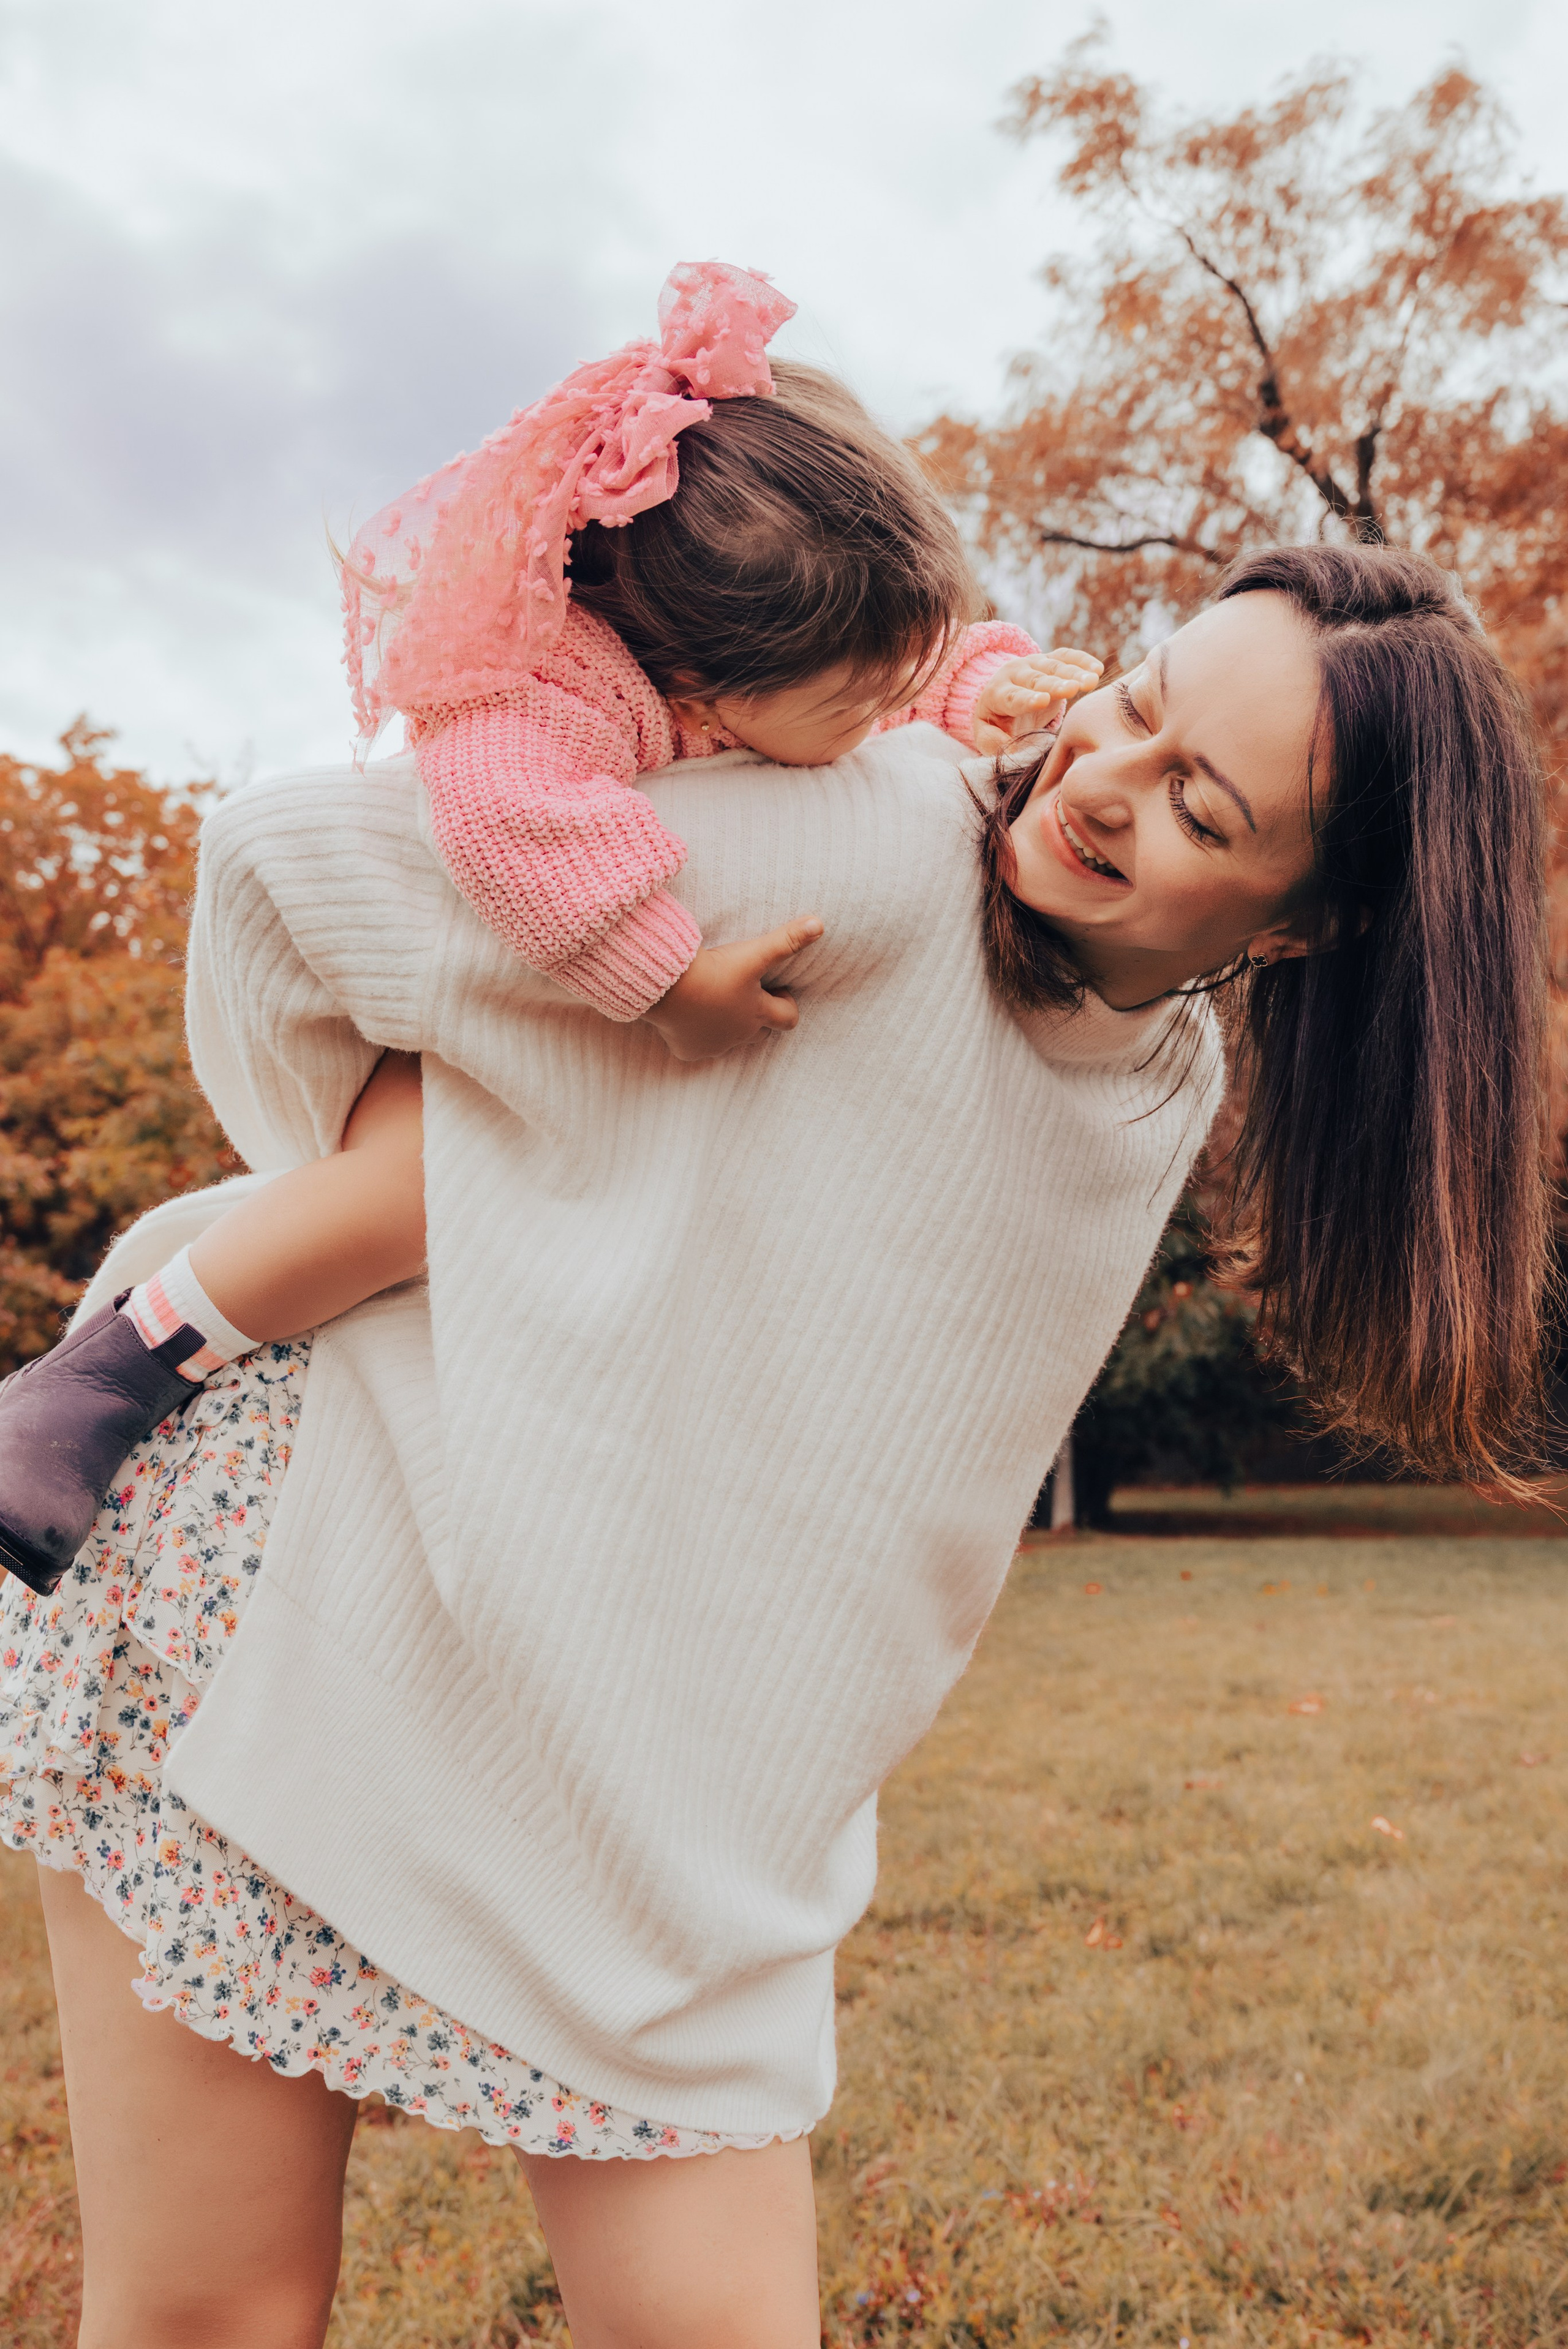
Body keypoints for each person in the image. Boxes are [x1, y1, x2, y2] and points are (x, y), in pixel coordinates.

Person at [0, 540, 1547, 2347]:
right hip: (284, 1585)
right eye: (1136, 703)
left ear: (1308, 924)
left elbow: (882, 1475)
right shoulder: (876, 835)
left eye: (1202, 804)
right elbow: (299, 868)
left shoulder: (1162, 1080)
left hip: (646, 1779)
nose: (1104, 784)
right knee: (216, 2316)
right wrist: (407, 1159)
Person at [0, 260, 1100, 1599]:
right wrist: (670, 979)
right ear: (706, 682)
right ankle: (101, 1380)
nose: (883, 720)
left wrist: (981, 684)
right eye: (857, 703)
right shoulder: (540, 689)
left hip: (553, 1009)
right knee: (402, 1198)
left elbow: (908, 668)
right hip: (428, 990)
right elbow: (518, 838)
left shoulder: (784, 636)